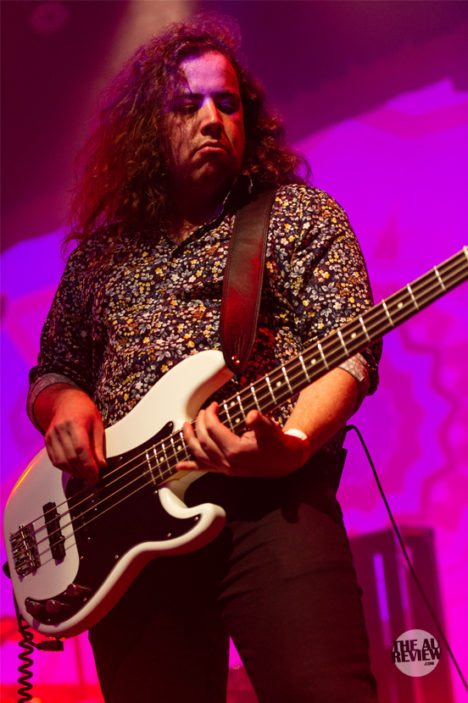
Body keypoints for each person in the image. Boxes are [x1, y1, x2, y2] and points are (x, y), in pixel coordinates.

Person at [27, 14, 381, 703]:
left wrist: (293, 442)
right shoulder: (100, 258)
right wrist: (63, 404)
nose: (213, 119)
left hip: (273, 504)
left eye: (227, 102)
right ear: (148, 129)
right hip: (126, 530)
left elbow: (348, 348)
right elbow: (55, 367)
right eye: (187, 105)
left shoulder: (298, 217)